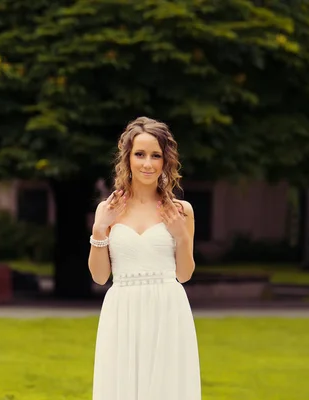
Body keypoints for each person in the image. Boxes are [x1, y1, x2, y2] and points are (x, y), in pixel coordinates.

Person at [89, 116, 201, 400]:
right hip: (122, 308)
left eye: (156, 155)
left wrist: (181, 236)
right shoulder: (109, 209)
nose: (147, 164)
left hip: (168, 308)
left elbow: (184, 274)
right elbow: (101, 277)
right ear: (127, 158)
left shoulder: (181, 210)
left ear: (166, 161)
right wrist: (99, 228)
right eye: (140, 154)